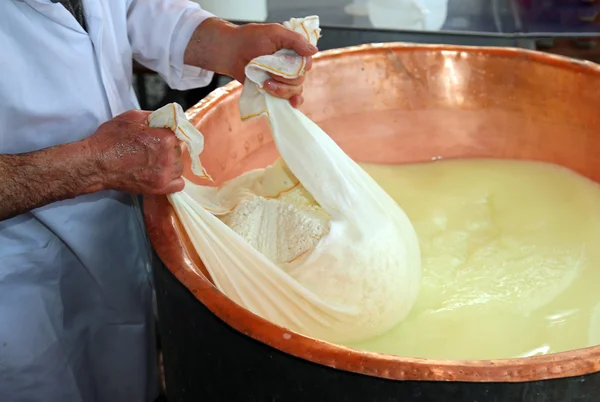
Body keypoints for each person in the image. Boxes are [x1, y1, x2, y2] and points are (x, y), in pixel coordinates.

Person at [0, 1, 317, 401]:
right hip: (15, 280)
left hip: (112, 242)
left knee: (124, 376)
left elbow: (129, 8)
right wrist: (89, 166)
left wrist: (224, 42)